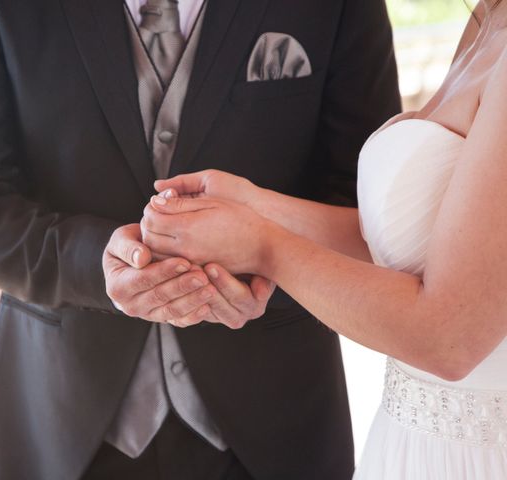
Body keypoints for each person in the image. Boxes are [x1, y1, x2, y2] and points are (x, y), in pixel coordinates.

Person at [0, 0, 400, 478]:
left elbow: (371, 211)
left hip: (276, 427)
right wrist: (93, 264)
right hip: (60, 425)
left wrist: (269, 270)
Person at [140, 1, 507, 478]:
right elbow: (417, 244)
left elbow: (450, 340)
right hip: (409, 441)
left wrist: (264, 245)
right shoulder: (488, 16)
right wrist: (254, 204)